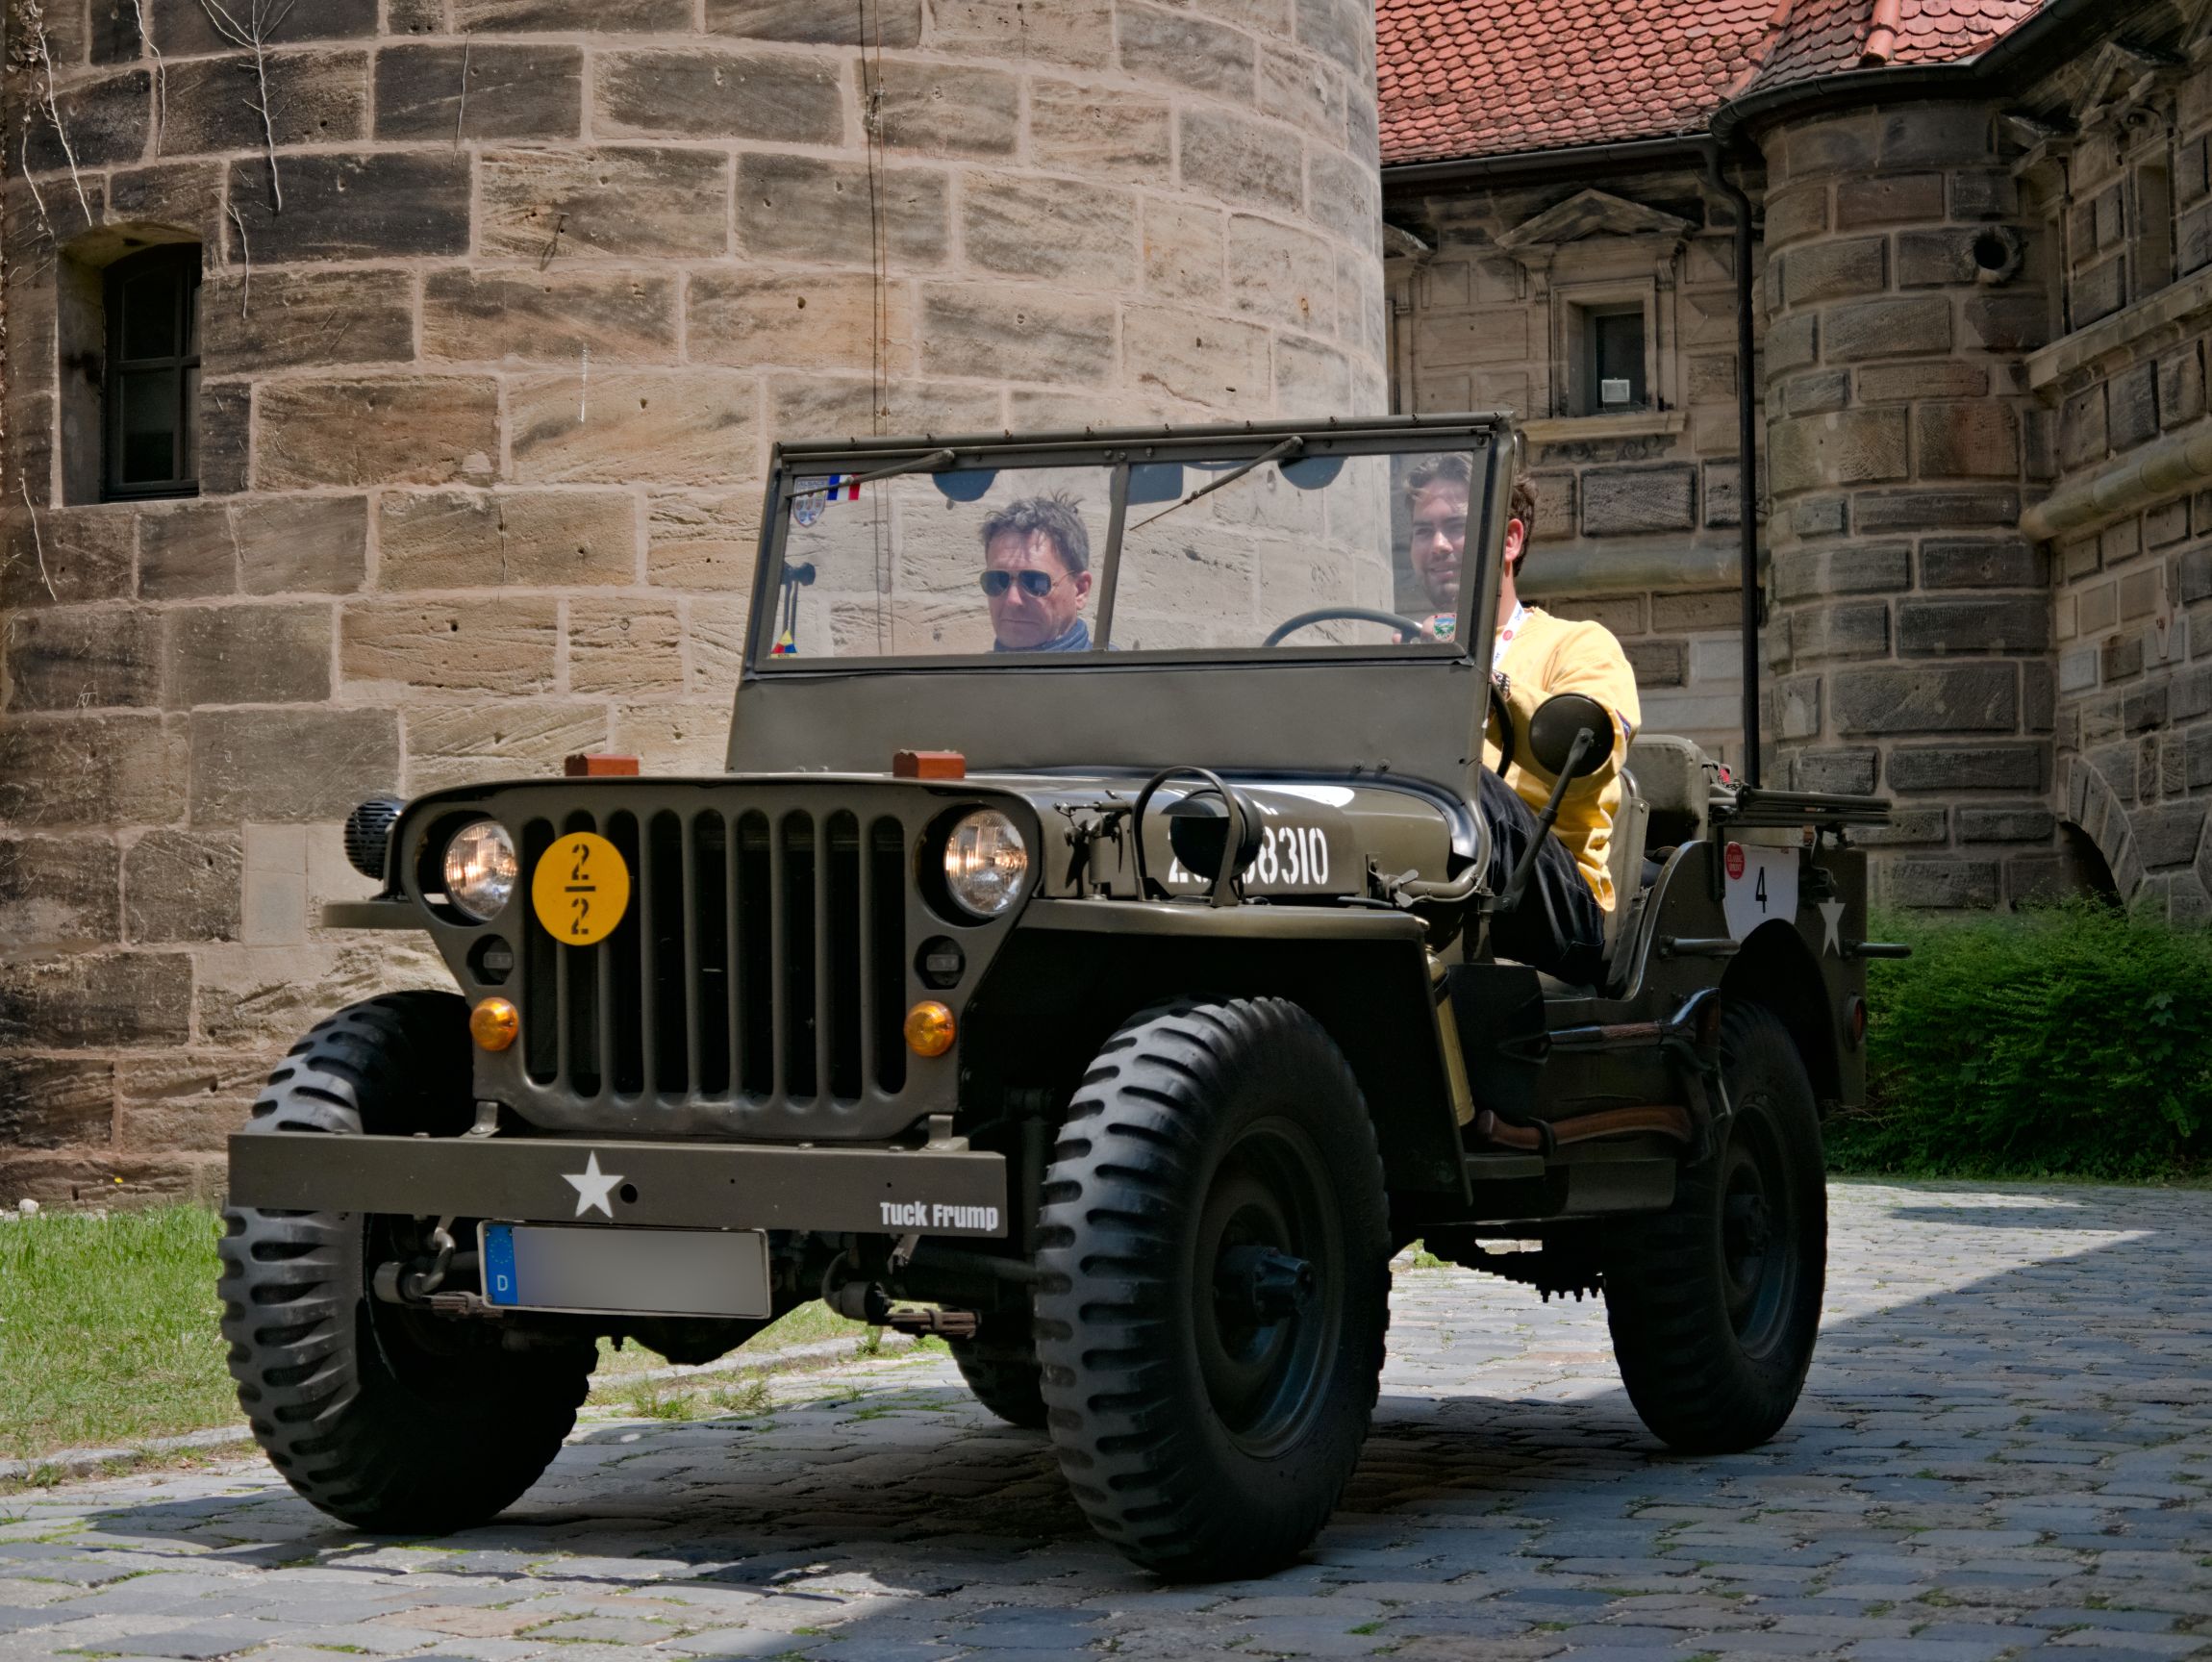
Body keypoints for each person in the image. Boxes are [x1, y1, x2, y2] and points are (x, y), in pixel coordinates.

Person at [1403, 453, 1641, 985]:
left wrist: (1481, 676)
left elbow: (1592, 753)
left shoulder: (1582, 644)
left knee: (1456, 785)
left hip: (1561, 896)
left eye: (1456, 527)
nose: (1437, 545)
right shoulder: (1406, 655)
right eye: (1424, 531)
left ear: (1509, 540)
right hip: (1438, 872)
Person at [979, 493, 1094, 652]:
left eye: (1034, 582)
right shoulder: (961, 676)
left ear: (1080, 590)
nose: (1012, 600)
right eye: (997, 580)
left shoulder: (1122, 676)